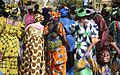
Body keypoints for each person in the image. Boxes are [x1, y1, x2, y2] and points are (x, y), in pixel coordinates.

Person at [69, 8, 98, 75]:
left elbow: (73, 34)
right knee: (88, 68)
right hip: (89, 50)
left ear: (77, 16)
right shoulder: (92, 25)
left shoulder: (74, 26)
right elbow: (95, 38)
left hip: (80, 50)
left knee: (81, 69)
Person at [0, 5, 25, 75]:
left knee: (2, 63)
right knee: (13, 65)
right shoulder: (19, 24)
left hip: (3, 45)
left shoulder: (3, 20)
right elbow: (20, 36)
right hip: (13, 47)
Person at [59, 7, 75, 75]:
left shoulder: (58, 21)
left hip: (62, 40)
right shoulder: (71, 20)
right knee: (71, 57)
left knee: (64, 57)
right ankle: (70, 72)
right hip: (71, 40)